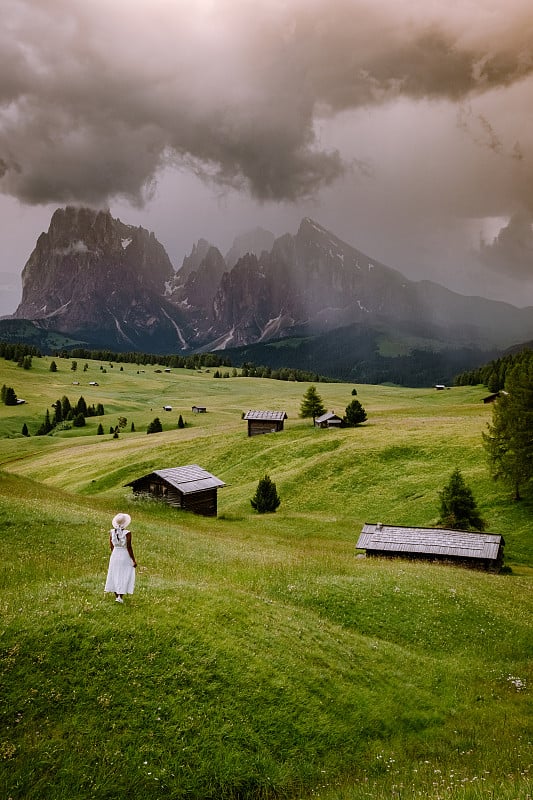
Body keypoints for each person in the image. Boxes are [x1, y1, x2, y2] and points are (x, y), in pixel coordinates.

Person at [105, 512, 137, 603]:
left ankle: (117, 596)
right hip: (124, 554)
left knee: (114, 573)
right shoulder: (127, 533)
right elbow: (129, 547)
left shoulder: (112, 532)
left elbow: (111, 546)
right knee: (124, 574)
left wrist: (114, 555)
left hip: (115, 554)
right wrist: (133, 560)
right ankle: (120, 596)